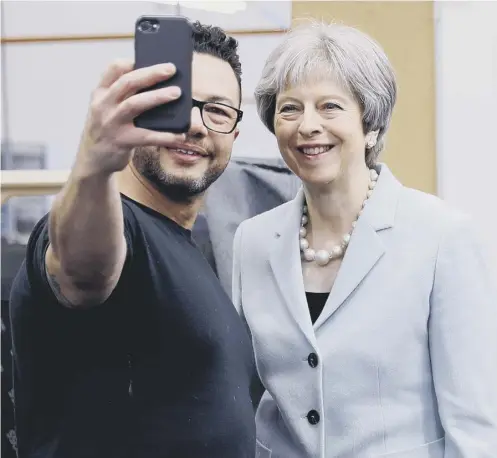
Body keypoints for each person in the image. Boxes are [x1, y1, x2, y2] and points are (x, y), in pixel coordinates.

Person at [232, 20, 497, 458]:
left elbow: (475, 429)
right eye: (290, 108)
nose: (308, 126)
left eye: (330, 106)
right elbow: (243, 395)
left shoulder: (442, 237)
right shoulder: (252, 240)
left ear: (370, 124)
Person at [9, 21, 256, 458]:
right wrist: (95, 161)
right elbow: (83, 271)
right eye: (175, 105)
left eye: (217, 111)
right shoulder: (115, 227)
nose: (196, 126)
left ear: (234, 135)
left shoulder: (190, 250)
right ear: (135, 111)